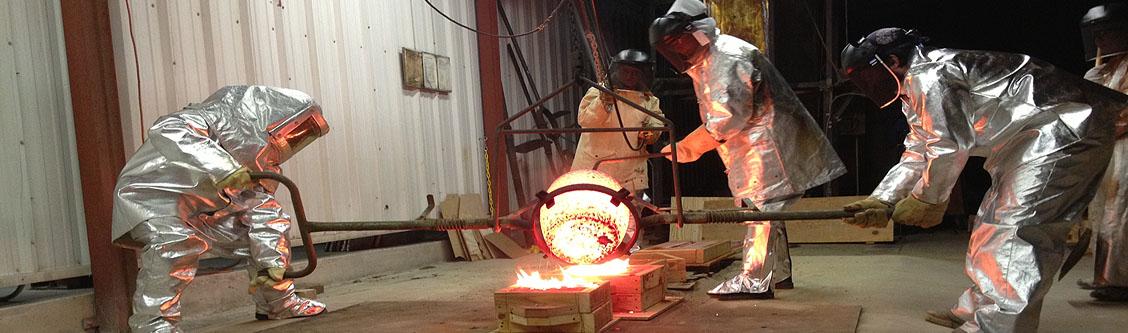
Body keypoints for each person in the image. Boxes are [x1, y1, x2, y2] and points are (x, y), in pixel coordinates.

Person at [840, 28, 1128, 331]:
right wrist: (883, 198)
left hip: (1063, 129)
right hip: (1028, 140)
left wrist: (927, 200)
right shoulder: (914, 90)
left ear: (894, 60)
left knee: (1017, 231)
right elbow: (918, 150)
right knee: (990, 226)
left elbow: (948, 146)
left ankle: (997, 326)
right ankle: (977, 311)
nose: (868, 86)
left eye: (867, 77)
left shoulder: (933, 74)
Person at [649, 0, 846, 299]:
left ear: (697, 30)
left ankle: (754, 280)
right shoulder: (709, 57)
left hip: (764, 145)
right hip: (751, 145)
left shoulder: (726, 57)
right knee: (768, 210)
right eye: (670, 45)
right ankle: (778, 274)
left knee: (760, 211)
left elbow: (727, 117)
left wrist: (687, 147)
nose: (677, 49)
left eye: (678, 40)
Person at [112, 86, 331, 332]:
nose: (292, 140)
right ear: (270, 119)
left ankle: (277, 302)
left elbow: (260, 209)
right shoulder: (205, 120)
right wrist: (224, 168)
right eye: (295, 131)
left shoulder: (253, 157)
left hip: (203, 213)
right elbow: (167, 129)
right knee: (174, 242)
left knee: (270, 217)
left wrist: (272, 263)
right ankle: (153, 324)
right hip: (152, 200)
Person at [1080, 2, 1128, 302]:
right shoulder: (1107, 70)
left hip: (1125, 148)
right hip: (1111, 148)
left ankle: (1119, 279)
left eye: (1105, 33)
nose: (1099, 40)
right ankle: (1108, 276)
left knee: (1121, 212)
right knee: (1105, 212)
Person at [571, 49, 664, 197]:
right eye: (625, 72)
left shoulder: (649, 101)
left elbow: (657, 122)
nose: (629, 76)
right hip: (594, 172)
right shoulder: (597, 91)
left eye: (634, 73)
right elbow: (585, 120)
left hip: (630, 176)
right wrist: (603, 102)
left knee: (627, 218)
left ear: (643, 75)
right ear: (616, 71)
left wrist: (651, 131)